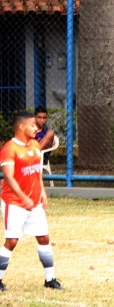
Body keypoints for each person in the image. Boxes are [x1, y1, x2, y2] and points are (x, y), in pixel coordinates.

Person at [0, 111, 63, 291]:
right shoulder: (9, 149)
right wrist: (23, 197)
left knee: (44, 238)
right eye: (33, 125)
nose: (36, 128)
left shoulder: (35, 145)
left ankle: (50, 279)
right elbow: (9, 178)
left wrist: (41, 190)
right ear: (21, 127)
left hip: (34, 203)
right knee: (11, 241)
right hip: (14, 203)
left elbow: (36, 171)